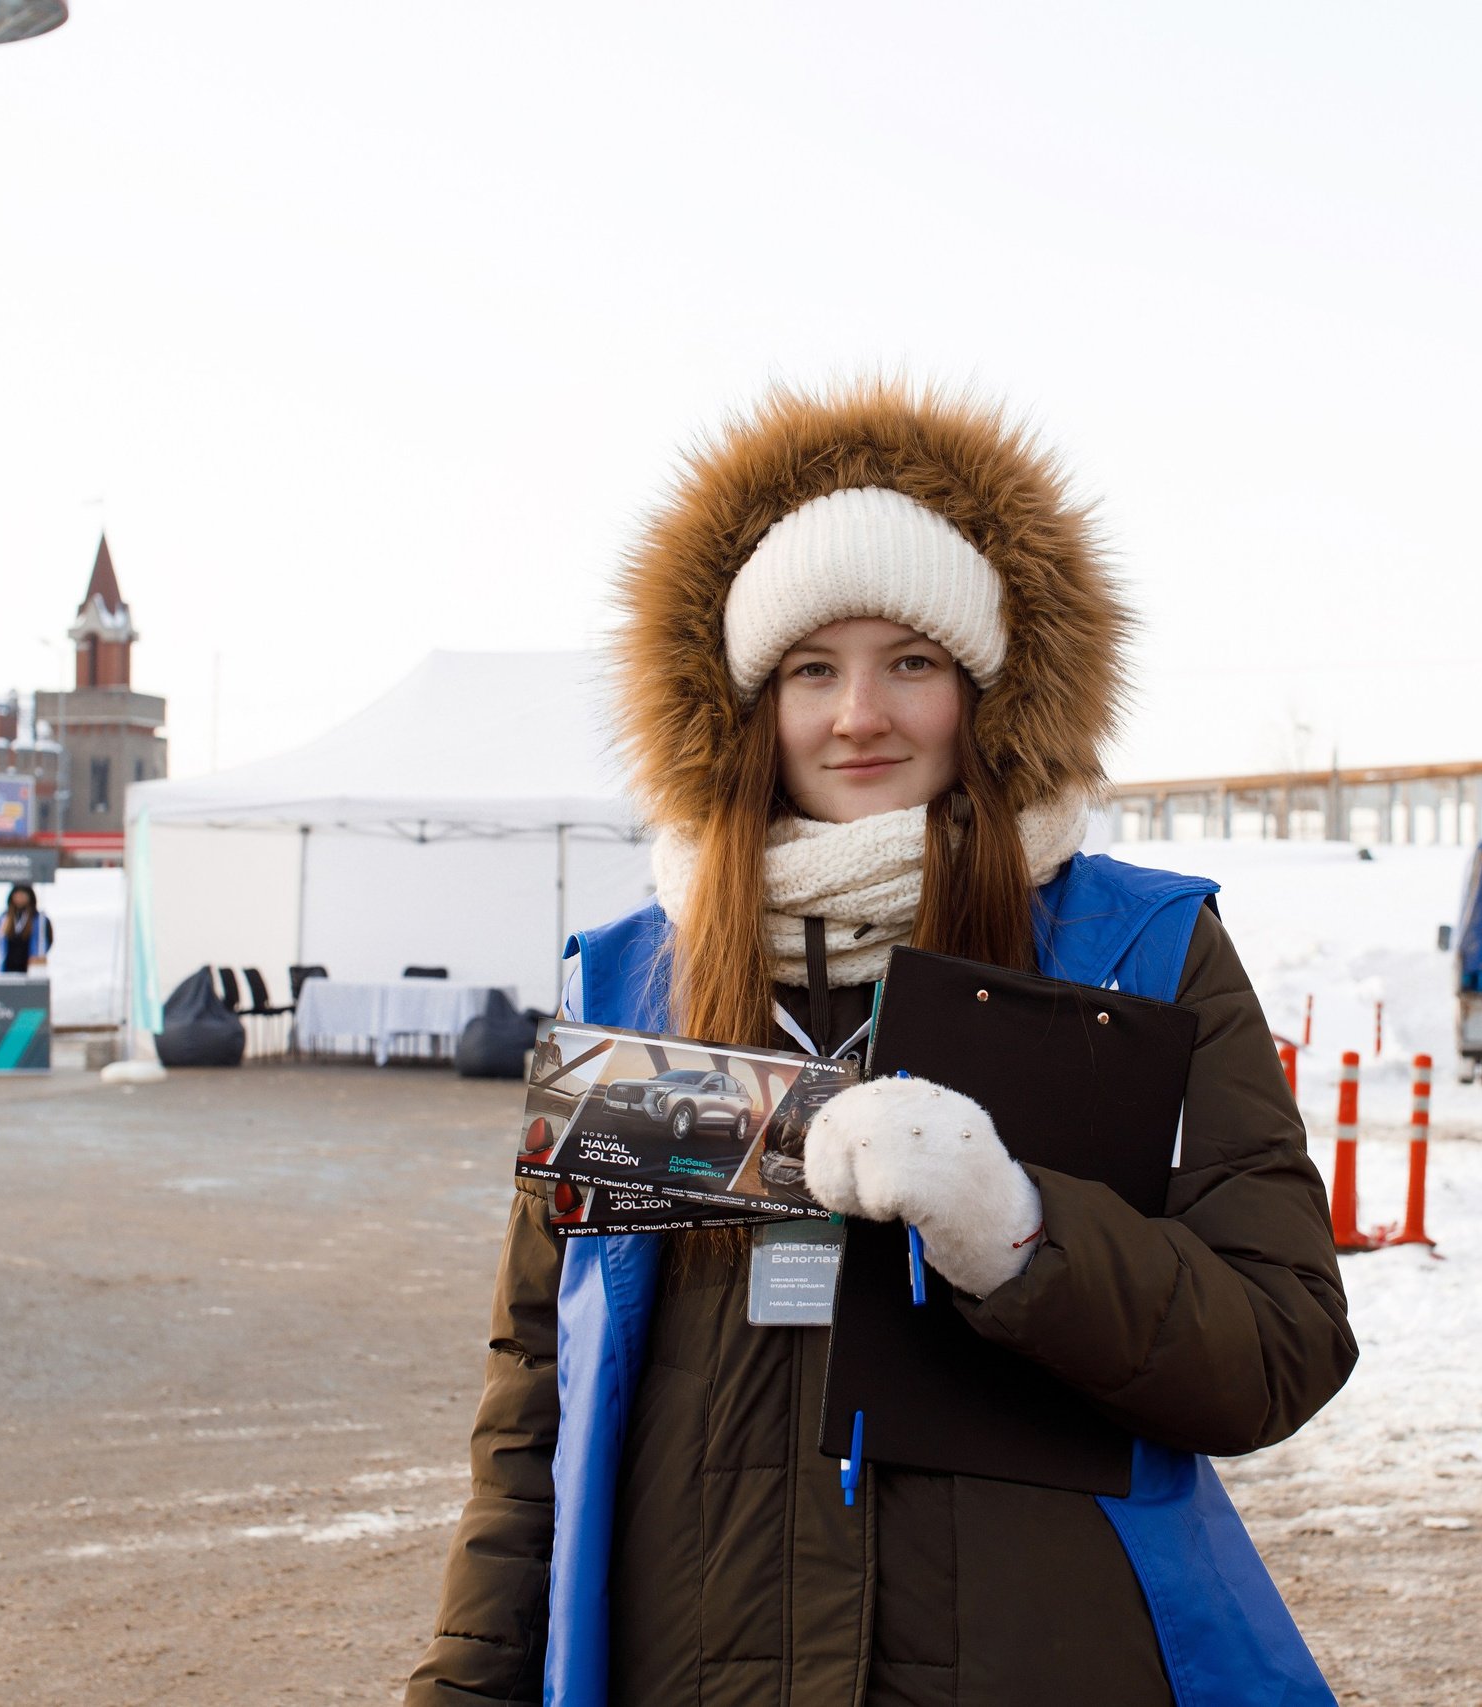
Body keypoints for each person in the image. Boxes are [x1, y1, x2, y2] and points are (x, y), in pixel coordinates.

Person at [410, 383, 1356, 1707]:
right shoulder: (634, 981)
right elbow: (537, 1393)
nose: (860, 713)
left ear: (982, 690)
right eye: (812, 668)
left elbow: (1279, 1342)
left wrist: (1025, 1234)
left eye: (910, 660)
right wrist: (468, 1680)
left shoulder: (1136, 953)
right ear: (749, 703)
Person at [0, 883, 52, 974]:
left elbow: (47, 941)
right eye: (17, 895)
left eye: (23, 895)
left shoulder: (39, 919)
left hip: (31, 970)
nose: (20, 898)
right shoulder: (3, 919)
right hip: (7, 970)